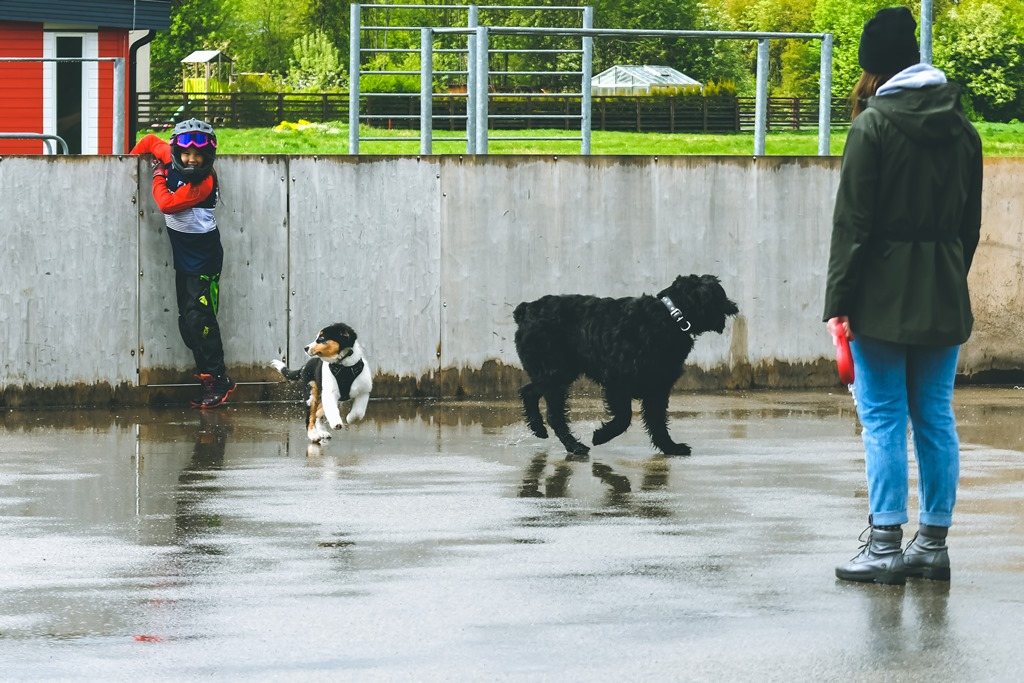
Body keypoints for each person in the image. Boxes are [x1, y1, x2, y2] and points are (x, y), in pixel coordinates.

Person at [823, 7, 983, 585]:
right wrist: (943, 275)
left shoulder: (873, 126)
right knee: (935, 416)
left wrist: (839, 301)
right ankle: (931, 545)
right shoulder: (964, 128)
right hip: (943, 291)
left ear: (873, 70)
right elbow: (970, 226)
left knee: (884, 416)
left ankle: (884, 543)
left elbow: (853, 226)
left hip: (880, 296)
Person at [131, 119, 236, 409]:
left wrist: (157, 173)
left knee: (201, 321)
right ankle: (207, 379)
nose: (191, 160)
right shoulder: (170, 156)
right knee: (187, 324)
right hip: (184, 260)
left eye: (198, 156)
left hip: (205, 261)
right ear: (177, 151)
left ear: (208, 157)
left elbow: (166, 203)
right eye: (186, 154)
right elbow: (151, 141)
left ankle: (219, 378)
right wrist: (126, 161)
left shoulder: (203, 183)